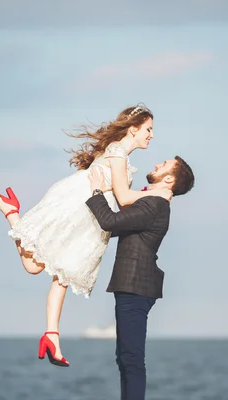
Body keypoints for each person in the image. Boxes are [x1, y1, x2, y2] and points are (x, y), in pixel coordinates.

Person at [0, 105, 172, 367]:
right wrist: (159, 193)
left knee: (54, 273)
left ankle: (51, 336)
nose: (151, 135)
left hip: (91, 218)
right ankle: (10, 211)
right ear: (134, 128)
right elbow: (125, 198)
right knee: (42, 268)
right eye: (148, 129)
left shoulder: (123, 159)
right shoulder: (117, 152)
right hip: (77, 208)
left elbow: (124, 205)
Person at [85, 155, 195, 400]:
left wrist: (95, 191)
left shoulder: (154, 204)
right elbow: (116, 227)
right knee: (126, 357)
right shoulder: (153, 202)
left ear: (168, 179)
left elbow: (109, 221)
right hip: (134, 286)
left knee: (131, 358)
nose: (156, 164)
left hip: (136, 286)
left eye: (163, 165)